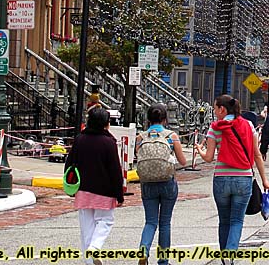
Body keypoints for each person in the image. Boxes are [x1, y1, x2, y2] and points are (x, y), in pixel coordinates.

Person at [195, 95, 269, 255]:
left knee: (224, 221)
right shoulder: (248, 125)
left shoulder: (215, 127)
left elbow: (208, 158)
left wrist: (200, 151)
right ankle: (230, 253)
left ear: (222, 109)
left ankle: (224, 255)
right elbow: (257, 155)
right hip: (244, 178)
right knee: (237, 220)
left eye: (215, 109)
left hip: (221, 179)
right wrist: (264, 179)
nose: (214, 112)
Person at [65, 106, 123, 265]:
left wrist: (70, 186)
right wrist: (119, 193)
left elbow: (69, 164)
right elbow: (114, 170)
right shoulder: (109, 142)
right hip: (104, 190)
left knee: (86, 227)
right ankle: (95, 247)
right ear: (106, 124)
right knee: (105, 221)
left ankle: (89, 260)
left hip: (83, 189)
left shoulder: (79, 139)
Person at [135, 104, 187, 265]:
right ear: (165, 119)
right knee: (165, 222)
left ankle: (144, 248)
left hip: (147, 183)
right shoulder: (171, 136)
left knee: (150, 221)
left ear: (148, 119)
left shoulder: (141, 137)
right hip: (167, 182)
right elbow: (183, 162)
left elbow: (138, 158)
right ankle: (163, 260)